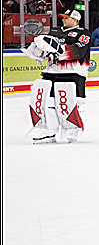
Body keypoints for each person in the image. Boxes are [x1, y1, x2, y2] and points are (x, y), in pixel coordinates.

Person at [25, 8, 91, 144]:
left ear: (76, 19)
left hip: (73, 73)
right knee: (46, 103)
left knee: (69, 103)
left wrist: (57, 49)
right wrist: (38, 49)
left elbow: (77, 52)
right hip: (51, 72)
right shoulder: (55, 31)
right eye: (63, 17)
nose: (63, 19)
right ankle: (48, 131)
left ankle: (72, 130)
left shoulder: (83, 33)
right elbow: (45, 52)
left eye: (67, 17)